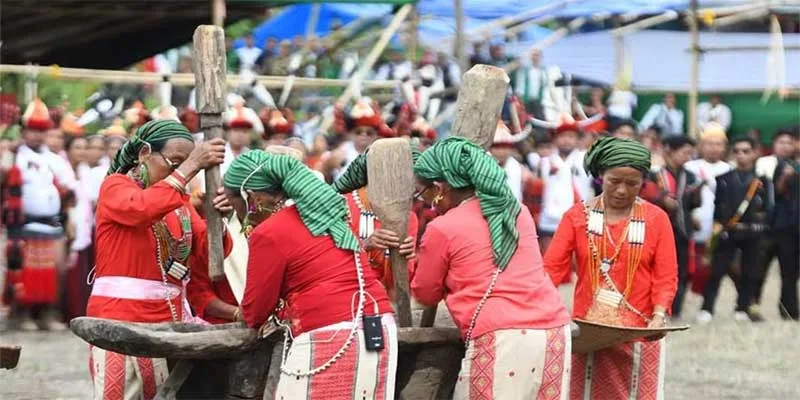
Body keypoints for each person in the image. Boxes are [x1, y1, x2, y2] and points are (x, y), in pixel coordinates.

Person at [223, 150, 397, 399]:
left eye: (232, 201)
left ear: (250, 196)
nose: (235, 211)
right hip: (380, 326)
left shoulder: (269, 232)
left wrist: (243, 314)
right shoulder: (326, 213)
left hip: (330, 333)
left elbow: (256, 310)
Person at [412, 137, 571, 400]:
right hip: (554, 332)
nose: (429, 203)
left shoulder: (442, 228)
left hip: (500, 338)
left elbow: (425, 294)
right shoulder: (517, 211)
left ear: (440, 188)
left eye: (424, 194)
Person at [86, 120, 236, 399]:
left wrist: (218, 219)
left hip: (170, 322)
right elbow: (141, 209)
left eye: (187, 165)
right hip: (120, 318)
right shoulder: (115, 185)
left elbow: (208, 252)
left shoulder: (179, 201)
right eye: (175, 163)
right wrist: (192, 165)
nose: (180, 172)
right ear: (144, 154)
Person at [544, 136, 677, 399]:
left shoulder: (656, 219)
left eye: (632, 184)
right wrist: (548, 313)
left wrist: (659, 315)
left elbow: (666, 275)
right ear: (600, 177)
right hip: (588, 331)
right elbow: (551, 271)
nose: (622, 191)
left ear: (643, 182)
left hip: (640, 331)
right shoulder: (577, 217)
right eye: (614, 181)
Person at [6, 99, 75, 331]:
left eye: (41, 130)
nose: (36, 135)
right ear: (24, 131)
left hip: (52, 225)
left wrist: (71, 218)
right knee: (23, 273)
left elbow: (70, 190)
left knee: (53, 272)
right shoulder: (15, 155)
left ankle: (48, 315)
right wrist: (8, 151)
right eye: (32, 130)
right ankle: (22, 315)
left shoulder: (55, 159)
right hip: (22, 225)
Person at [697, 137, 772, 323]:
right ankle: (707, 309)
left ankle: (742, 308)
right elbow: (718, 208)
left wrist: (762, 226)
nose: (741, 155)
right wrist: (717, 229)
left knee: (750, 272)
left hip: (753, 232)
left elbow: (768, 208)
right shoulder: (724, 179)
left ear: (754, 153)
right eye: (737, 151)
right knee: (716, 271)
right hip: (728, 232)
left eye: (746, 151)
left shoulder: (762, 180)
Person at [331, 144, 419, 301]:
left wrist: (404, 258)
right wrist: (364, 245)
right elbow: (324, 265)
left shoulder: (409, 217)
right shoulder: (340, 206)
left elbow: (398, 287)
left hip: (384, 304)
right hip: (341, 300)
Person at [640, 135, 702, 320]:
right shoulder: (653, 174)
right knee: (653, 271)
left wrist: (697, 194)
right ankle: (651, 308)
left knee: (681, 272)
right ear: (669, 150)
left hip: (682, 231)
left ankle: (675, 310)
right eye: (684, 152)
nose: (687, 157)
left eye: (690, 153)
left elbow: (695, 204)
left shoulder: (690, 176)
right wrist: (661, 198)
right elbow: (645, 197)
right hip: (656, 231)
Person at [684, 123, 733, 297]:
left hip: (716, 225)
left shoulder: (728, 169)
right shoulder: (690, 167)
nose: (714, 148)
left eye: (718, 144)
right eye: (709, 144)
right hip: (694, 221)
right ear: (701, 145)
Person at [752, 129, 797, 313]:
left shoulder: (795, 165)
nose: (785, 146)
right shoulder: (765, 164)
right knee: (758, 270)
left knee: (789, 272)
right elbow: (771, 194)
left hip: (790, 228)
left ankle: (789, 310)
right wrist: (785, 177)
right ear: (774, 144)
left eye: (789, 142)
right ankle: (751, 306)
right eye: (781, 142)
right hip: (767, 225)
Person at [768, 129, 799, 320]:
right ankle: (789, 310)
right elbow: (777, 192)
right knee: (788, 271)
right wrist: (786, 177)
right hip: (787, 226)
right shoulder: (784, 165)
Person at [513, 49, 549, 119]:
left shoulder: (543, 71)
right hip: (526, 100)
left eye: (537, 55)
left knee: (540, 118)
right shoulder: (525, 70)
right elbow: (520, 85)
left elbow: (546, 86)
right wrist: (520, 98)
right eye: (534, 55)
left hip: (539, 101)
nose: (535, 58)